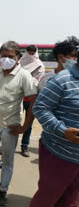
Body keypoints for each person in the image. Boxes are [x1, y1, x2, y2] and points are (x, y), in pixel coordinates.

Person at [0, 41, 38, 206]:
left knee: (7, 161)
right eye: (3, 55)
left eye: (10, 56)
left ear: (17, 58)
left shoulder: (24, 76)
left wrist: (24, 127)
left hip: (10, 127)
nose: (6, 59)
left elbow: (34, 102)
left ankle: (3, 190)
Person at [29, 56, 79, 207]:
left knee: (71, 201)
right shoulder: (62, 80)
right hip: (59, 154)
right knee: (47, 199)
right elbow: (40, 107)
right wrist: (62, 130)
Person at [19, 45, 45, 157]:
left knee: (28, 123)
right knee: (13, 121)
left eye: (32, 53)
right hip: (18, 97)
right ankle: (8, 145)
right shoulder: (20, 62)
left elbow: (38, 80)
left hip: (31, 98)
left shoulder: (39, 64)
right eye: (28, 52)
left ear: (35, 53)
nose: (30, 55)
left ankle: (25, 145)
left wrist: (27, 80)